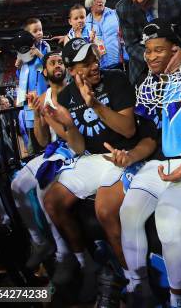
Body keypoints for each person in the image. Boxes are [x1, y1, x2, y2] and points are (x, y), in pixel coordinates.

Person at [41, 39, 152, 300]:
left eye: (94, 58)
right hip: (92, 159)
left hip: (122, 154)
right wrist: (68, 126)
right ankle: (84, 264)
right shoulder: (67, 96)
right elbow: (79, 148)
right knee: (52, 201)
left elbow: (128, 129)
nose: (94, 65)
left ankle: (136, 281)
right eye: (85, 63)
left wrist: (96, 106)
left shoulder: (115, 80)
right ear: (71, 70)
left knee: (104, 209)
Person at [119, 19, 181, 307]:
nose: (151, 56)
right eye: (148, 51)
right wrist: (129, 156)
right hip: (160, 164)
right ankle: (138, 286)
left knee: (167, 226)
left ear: (176, 50)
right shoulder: (147, 87)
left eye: (159, 50)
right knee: (128, 212)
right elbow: (149, 139)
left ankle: (179, 298)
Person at [10, 51, 75, 277]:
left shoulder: (76, 90)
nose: (58, 65)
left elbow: (73, 136)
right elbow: (43, 140)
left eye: (60, 62)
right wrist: (38, 115)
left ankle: (64, 253)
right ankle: (39, 242)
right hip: (53, 150)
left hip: (75, 150)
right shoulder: (44, 96)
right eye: (52, 63)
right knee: (16, 186)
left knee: (41, 187)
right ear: (45, 72)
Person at [14, 20, 51, 154]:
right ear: (27, 35)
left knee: (47, 124)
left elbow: (49, 67)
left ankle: (50, 150)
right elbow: (21, 75)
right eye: (35, 31)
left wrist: (40, 55)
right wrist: (18, 66)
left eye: (40, 29)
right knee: (32, 125)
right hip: (29, 96)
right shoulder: (22, 51)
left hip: (43, 93)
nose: (39, 33)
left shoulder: (45, 47)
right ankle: (35, 152)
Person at [84, 0, 127, 70]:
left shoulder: (115, 14)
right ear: (90, 3)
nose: (100, 0)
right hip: (98, 68)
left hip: (120, 64)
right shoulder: (86, 23)